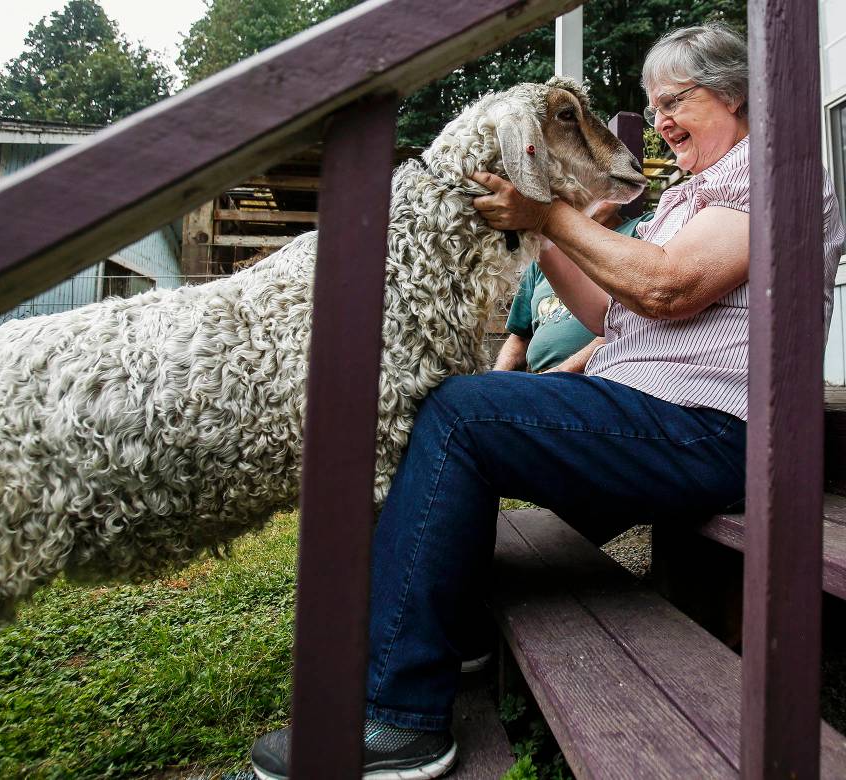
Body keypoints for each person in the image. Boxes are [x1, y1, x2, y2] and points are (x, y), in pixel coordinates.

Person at [251, 22, 846, 779]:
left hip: (715, 430)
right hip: (652, 413)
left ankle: (402, 719)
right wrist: (551, 243)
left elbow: (669, 285)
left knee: (463, 412)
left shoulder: (774, 173)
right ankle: (452, 633)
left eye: (675, 100)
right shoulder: (689, 196)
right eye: (651, 104)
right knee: (461, 410)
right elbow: (615, 314)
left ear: (733, 93)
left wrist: (549, 215)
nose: (659, 119)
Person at [495, 205, 652, 374]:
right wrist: (496, 377)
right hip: (538, 379)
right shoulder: (547, 253)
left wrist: (562, 371)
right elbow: (519, 338)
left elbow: (629, 324)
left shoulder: (642, 229)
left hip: (600, 376)